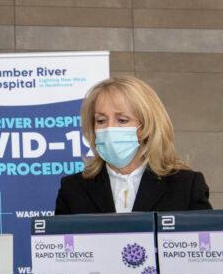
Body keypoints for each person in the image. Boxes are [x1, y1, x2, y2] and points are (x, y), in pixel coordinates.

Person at [55, 75, 211, 215]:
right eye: (101, 121)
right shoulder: (73, 189)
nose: (110, 128)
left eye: (122, 120)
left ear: (147, 125)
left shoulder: (186, 185)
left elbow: (205, 242)